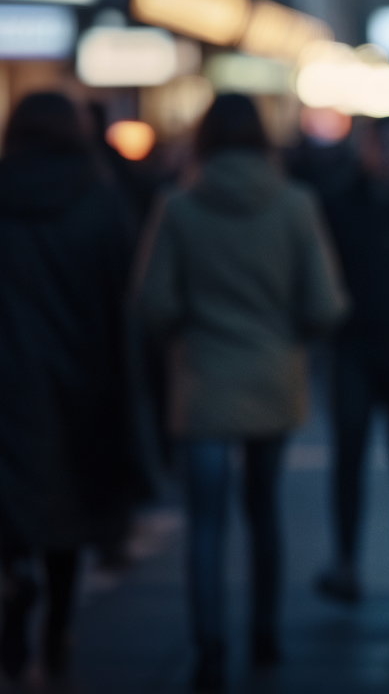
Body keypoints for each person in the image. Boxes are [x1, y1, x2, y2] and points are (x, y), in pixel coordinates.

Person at [134, 93, 347, 693]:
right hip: (272, 378)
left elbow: (153, 304)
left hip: (202, 380)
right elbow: (326, 304)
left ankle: (208, 647)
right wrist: (285, 335)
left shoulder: (177, 207)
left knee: (205, 523)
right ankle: (264, 633)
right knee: (263, 513)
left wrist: (191, 330)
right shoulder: (295, 205)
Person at [0, 93, 153, 682]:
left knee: (10, 496)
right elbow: (125, 298)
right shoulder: (100, 200)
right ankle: (58, 625)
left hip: (10, 377)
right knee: (65, 508)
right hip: (80, 377)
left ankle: (14, 584)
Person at [316, 116, 389, 609]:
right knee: (349, 455)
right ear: (365, 150)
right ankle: (345, 563)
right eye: (379, 146)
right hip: (354, 345)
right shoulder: (337, 200)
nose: (387, 156)